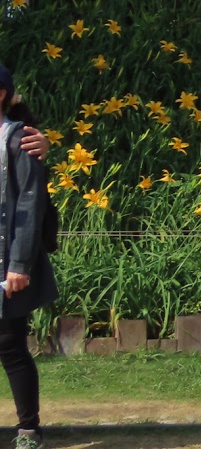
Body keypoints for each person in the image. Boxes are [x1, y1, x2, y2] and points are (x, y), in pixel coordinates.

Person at [0, 62, 53, 449]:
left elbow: (29, 205)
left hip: (6, 259)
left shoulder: (20, 139)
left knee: (9, 344)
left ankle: (28, 430)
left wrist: (19, 264)